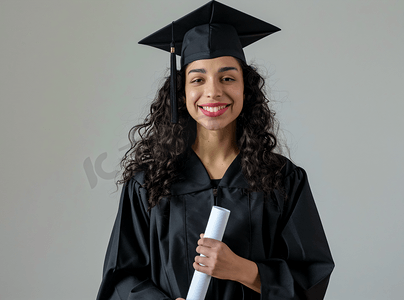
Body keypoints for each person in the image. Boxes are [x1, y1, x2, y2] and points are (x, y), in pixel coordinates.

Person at [96, 1, 334, 299]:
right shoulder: (149, 184)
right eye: (198, 79)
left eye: (227, 78)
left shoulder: (283, 179)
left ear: (245, 89)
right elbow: (121, 277)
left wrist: (243, 270)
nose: (213, 92)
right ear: (181, 92)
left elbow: (312, 275)